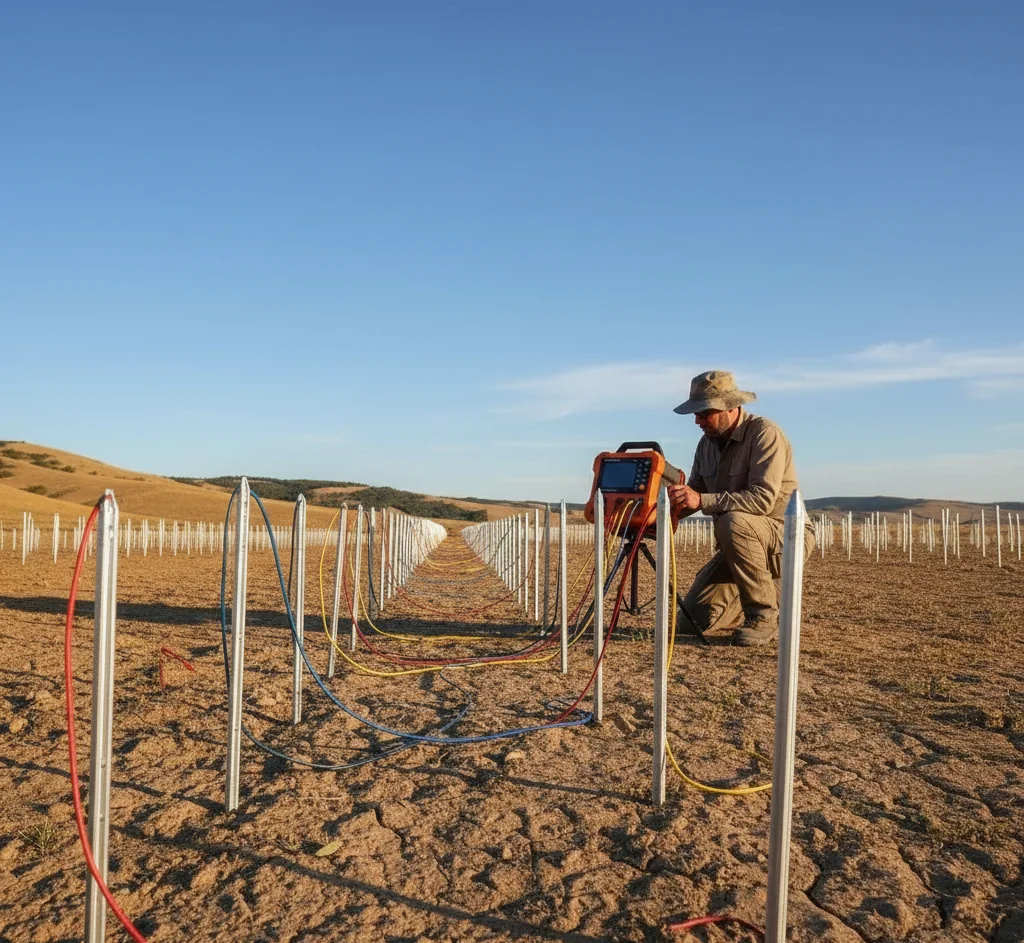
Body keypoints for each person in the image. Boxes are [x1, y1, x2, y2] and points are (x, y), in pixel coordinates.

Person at [667, 370, 814, 646]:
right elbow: (695, 492)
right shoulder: (706, 445)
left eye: (703, 413)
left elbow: (761, 500)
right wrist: (663, 507)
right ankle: (758, 589)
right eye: (695, 414)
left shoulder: (765, 435)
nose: (697, 421)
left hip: (784, 541)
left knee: (733, 522)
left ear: (731, 407)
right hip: (738, 546)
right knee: (689, 623)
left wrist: (702, 501)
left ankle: (763, 614)